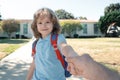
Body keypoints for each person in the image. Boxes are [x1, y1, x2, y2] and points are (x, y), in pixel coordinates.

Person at [26, 7, 78, 80]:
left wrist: (73, 56)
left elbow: (64, 47)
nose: (44, 25)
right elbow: (34, 63)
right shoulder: (36, 43)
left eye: (47, 22)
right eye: (40, 23)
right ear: (36, 25)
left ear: (53, 23)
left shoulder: (57, 38)